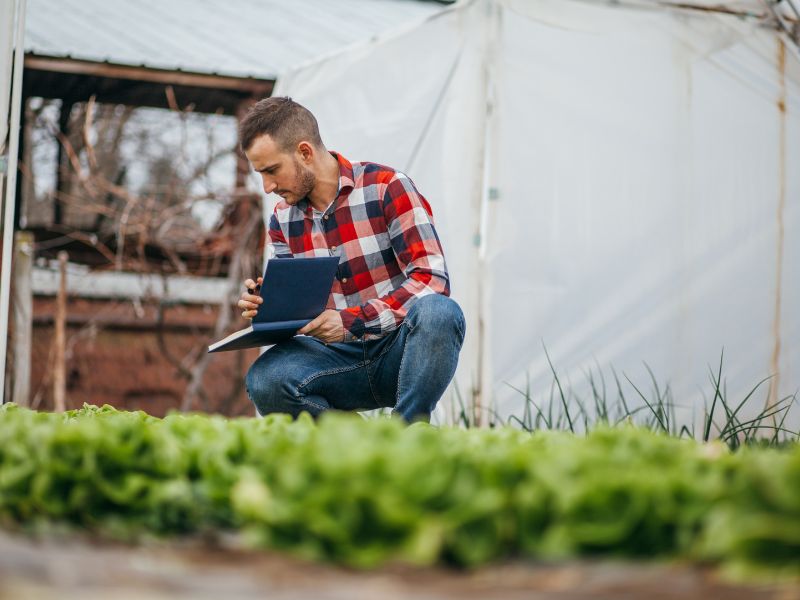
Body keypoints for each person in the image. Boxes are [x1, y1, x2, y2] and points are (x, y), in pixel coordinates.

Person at [236, 97, 465, 423]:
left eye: (272, 170)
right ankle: (356, 442)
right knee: (265, 379)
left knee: (440, 313)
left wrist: (350, 322)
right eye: (261, 174)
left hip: (400, 349)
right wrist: (268, 304)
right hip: (337, 361)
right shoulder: (282, 219)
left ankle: (409, 431)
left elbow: (433, 281)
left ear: (305, 153)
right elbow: (298, 307)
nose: (268, 186)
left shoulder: (386, 188)